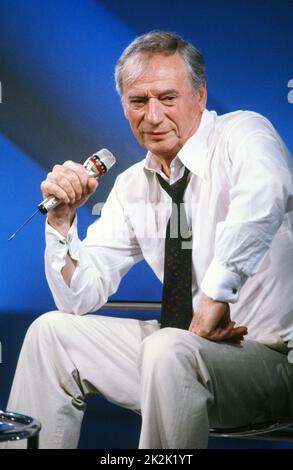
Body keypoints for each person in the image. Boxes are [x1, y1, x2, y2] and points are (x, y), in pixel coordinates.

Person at [3, 31, 293, 449]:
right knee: (51, 333)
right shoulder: (132, 187)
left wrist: (216, 294)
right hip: (183, 354)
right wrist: (63, 223)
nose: (153, 116)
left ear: (200, 95)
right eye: (139, 102)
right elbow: (78, 299)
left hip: (273, 359)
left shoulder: (244, 133)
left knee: (167, 348)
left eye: (167, 98)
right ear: (124, 107)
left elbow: (265, 196)